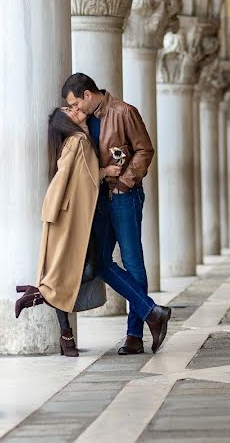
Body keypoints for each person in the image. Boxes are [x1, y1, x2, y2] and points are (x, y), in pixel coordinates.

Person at [62, 72, 172, 355]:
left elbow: (144, 150)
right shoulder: (83, 123)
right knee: (98, 262)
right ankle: (153, 312)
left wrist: (124, 183)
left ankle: (134, 335)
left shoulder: (124, 111)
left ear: (88, 95)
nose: (75, 110)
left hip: (125, 196)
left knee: (133, 262)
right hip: (98, 200)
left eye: (76, 103)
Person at [14, 106, 121, 357]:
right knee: (75, 270)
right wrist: (106, 172)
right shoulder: (77, 140)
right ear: (65, 123)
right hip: (69, 217)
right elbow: (70, 177)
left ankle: (40, 295)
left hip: (76, 217)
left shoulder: (80, 140)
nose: (75, 110)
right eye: (70, 111)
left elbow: (79, 176)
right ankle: (63, 332)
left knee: (74, 271)